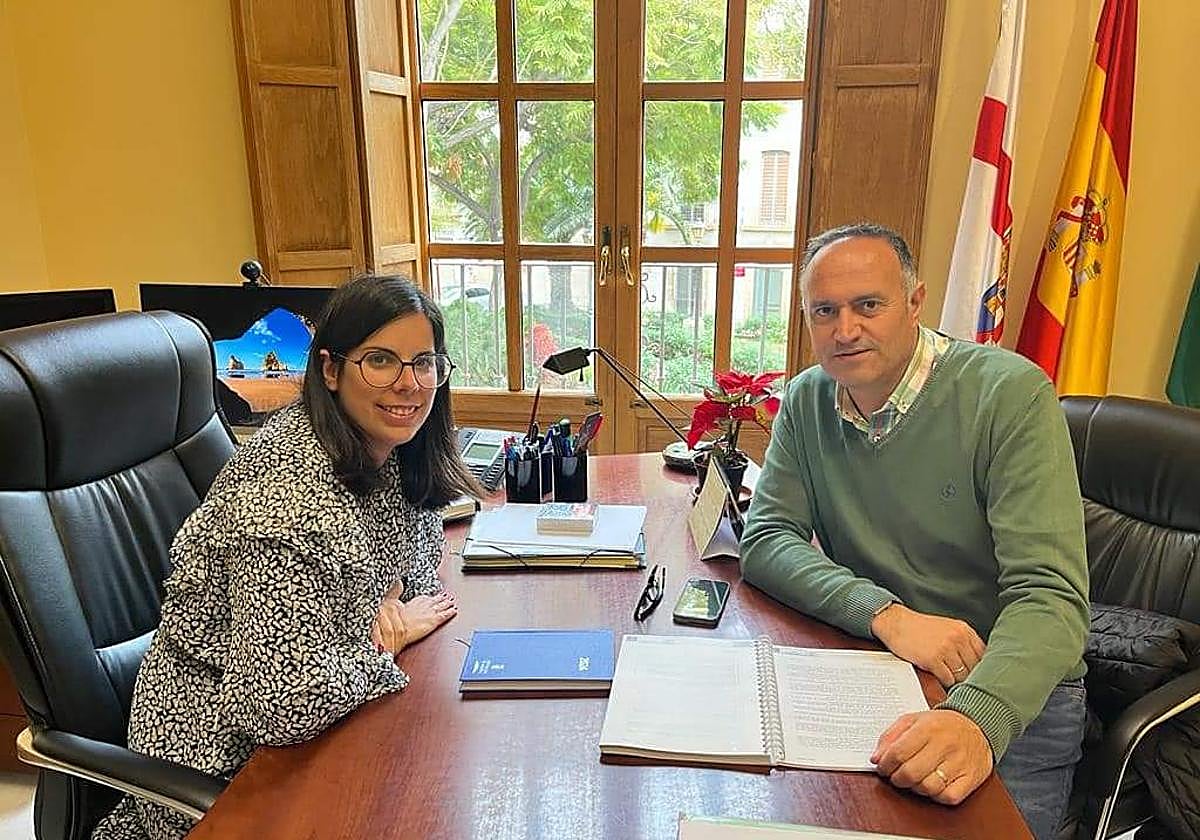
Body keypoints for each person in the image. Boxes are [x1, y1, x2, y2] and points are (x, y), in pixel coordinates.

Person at [92, 275, 480, 840]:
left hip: (321, 718)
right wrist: (379, 641)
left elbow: (415, 582)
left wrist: (364, 632)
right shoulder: (286, 501)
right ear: (329, 369)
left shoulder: (387, 449)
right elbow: (276, 704)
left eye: (424, 362)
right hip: (224, 770)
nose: (410, 384)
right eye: (380, 361)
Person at [740, 223, 1090, 840]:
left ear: (915, 301)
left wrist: (977, 719)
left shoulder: (1009, 396)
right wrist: (890, 616)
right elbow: (767, 539)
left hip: (1009, 691)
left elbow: (1051, 599)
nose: (845, 330)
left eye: (867, 305)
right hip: (883, 670)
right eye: (825, 311)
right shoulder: (805, 399)